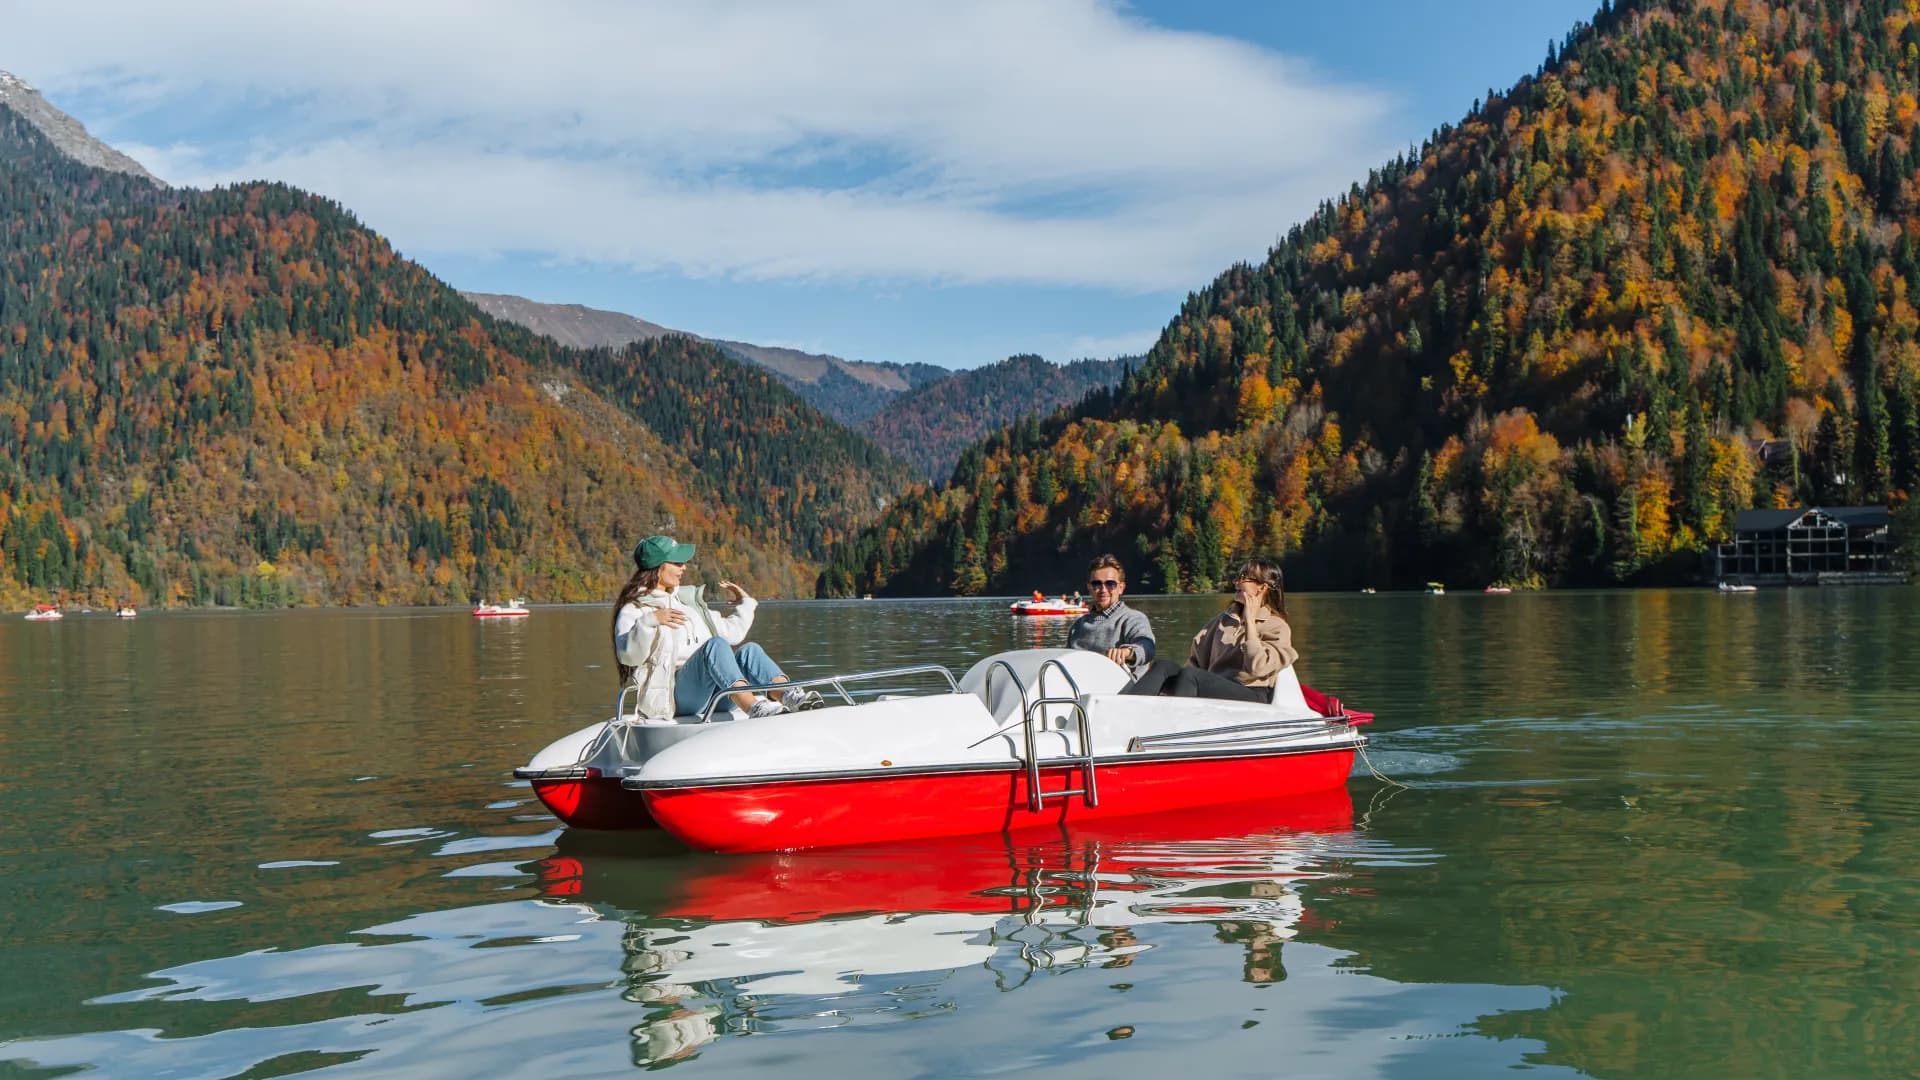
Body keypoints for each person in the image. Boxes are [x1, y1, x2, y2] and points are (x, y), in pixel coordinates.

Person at [612, 535, 821, 718]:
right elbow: (628, 656)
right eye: (677, 562)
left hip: (712, 693)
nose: (683, 567)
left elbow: (732, 633)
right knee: (716, 645)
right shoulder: (635, 609)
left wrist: (745, 603)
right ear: (658, 567)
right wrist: (650, 621)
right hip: (673, 697)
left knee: (750, 651)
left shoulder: (687, 604)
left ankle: (791, 697)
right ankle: (754, 708)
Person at [1123, 557, 1297, 702]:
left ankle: (1174, 729)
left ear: (1262, 587)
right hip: (1212, 686)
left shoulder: (1277, 626)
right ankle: (1123, 712)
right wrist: (1173, 685)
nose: (1236, 582)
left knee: (1191, 676)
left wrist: (1250, 621)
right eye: (1237, 576)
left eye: (1244, 577)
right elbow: (1195, 662)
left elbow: (1257, 667)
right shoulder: (1223, 620)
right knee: (1164, 667)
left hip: (1252, 694)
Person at [1067, 554, 1156, 676]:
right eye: (1097, 584)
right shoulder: (1077, 626)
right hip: (1079, 688)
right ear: (1089, 587)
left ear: (1121, 588)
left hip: (1123, 690)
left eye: (1110, 584)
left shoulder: (1133, 618)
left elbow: (1147, 647)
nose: (1103, 589)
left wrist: (1127, 653)